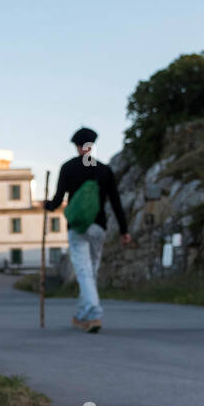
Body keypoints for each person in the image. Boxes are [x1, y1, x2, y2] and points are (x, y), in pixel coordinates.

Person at [44, 127, 131, 332]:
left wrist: (47, 205)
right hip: (98, 227)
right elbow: (116, 203)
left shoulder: (68, 168)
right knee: (91, 272)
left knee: (83, 272)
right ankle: (82, 315)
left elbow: (58, 199)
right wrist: (124, 230)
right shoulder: (104, 170)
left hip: (77, 227)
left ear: (76, 146)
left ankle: (94, 313)